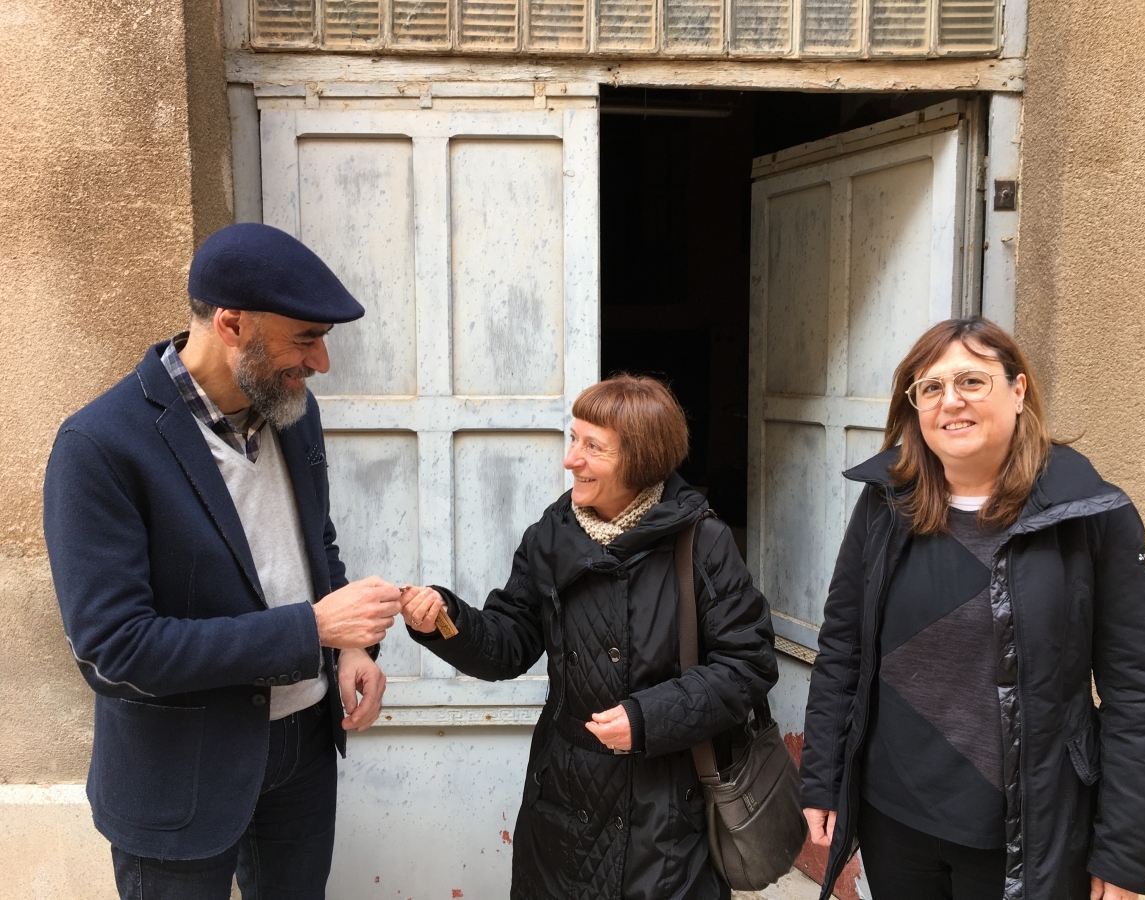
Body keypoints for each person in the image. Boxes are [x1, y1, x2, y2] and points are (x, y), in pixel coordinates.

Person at [42, 223, 408, 900]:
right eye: (306, 338)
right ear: (232, 323)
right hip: (178, 776)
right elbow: (114, 648)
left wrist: (353, 648)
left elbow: (312, 545)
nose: (322, 362)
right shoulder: (98, 446)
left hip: (301, 752)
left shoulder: (291, 409)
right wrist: (314, 630)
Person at [798, 317, 1145, 900]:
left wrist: (1125, 850)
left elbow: (1137, 692)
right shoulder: (886, 504)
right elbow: (843, 647)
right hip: (895, 818)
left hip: (1028, 831)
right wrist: (822, 777)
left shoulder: (1091, 514)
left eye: (972, 381)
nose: (951, 401)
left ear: (1018, 391)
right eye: (931, 387)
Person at [400, 375, 777, 900]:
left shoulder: (702, 541)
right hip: (563, 803)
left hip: (665, 814)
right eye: (573, 439)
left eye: (592, 447)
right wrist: (445, 620)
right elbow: (509, 642)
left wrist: (647, 719)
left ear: (641, 459)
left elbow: (748, 666)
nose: (570, 459)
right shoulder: (551, 535)